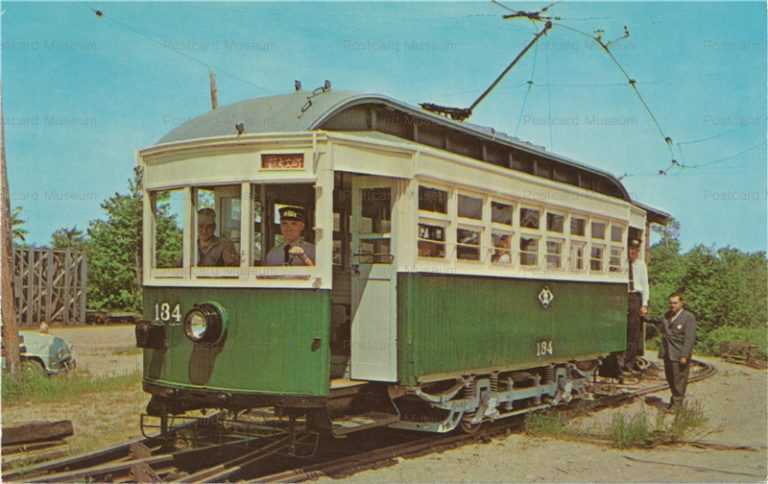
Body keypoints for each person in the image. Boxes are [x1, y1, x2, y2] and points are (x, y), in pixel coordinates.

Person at [648, 292, 697, 410]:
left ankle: (677, 404)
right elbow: (657, 320)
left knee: (679, 379)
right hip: (667, 353)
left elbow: (690, 338)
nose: (672, 305)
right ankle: (674, 401)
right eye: (670, 303)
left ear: (681, 303)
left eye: (675, 303)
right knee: (670, 378)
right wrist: (643, 316)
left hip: (679, 353)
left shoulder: (688, 317)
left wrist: (684, 355)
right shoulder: (667, 315)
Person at [626, 239, 649, 366]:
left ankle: (629, 362)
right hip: (623, 295)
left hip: (635, 297)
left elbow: (645, 285)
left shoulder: (641, 264)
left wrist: (644, 304)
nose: (633, 252)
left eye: (635, 250)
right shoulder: (623, 263)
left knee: (634, 331)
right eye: (631, 249)